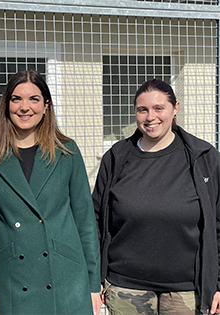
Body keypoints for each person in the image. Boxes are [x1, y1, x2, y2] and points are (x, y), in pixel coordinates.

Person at [0, 70, 101, 315]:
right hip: (15, 281)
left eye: (34, 99)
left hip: (66, 277)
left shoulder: (67, 152)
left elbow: (85, 220)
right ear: (6, 105)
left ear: (46, 106)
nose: (25, 107)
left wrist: (94, 283)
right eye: (16, 99)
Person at [93, 79, 220, 315]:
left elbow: (218, 223)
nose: (150, 117)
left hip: (187, 290)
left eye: (159, 108)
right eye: (143, 110)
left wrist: (218, 283)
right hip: (126, 288)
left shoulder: (204, 158)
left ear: (175, 108)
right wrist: (95, 279)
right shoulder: (117, 158)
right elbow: (96, 220)